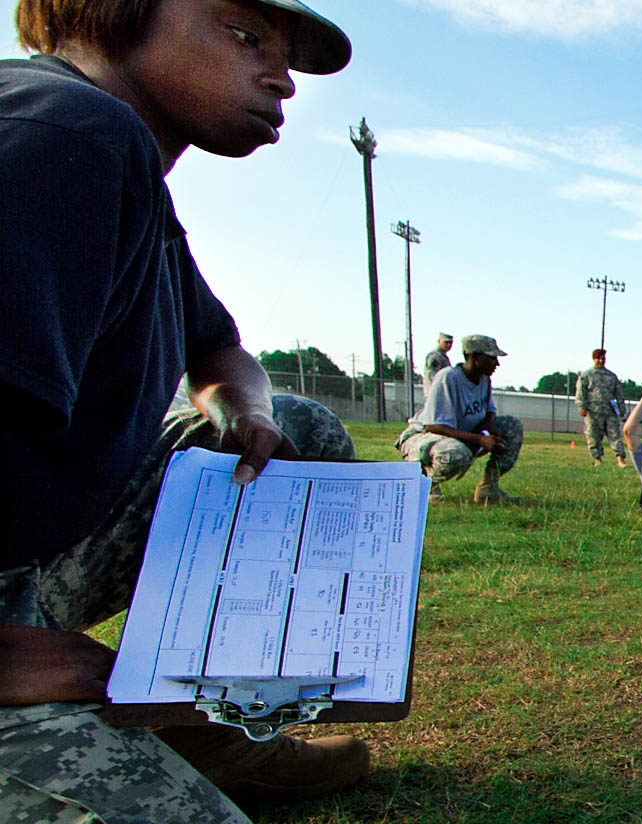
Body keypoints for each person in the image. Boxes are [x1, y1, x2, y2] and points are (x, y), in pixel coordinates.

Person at [0, 1, 369, 820]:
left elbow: (219, 348)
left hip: (23, 565)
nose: (281, 79)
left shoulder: (116, 160)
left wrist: (239, 405)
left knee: (296, 431)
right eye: (244, 37)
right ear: (109, 14)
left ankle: (200, 724)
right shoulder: (67, 133)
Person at [399, 335, 524, 504]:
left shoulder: (484, 380)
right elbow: (435, 426)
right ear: (474, 357)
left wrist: (489, 434)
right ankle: (423, 486)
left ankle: (489, 488)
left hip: (461, 434)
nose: (497, 363)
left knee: (511, 426)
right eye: (492, 358)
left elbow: (489, 413)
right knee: (456, 453)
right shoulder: (448, 378)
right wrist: (480, 439)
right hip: (424, 437)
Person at [574, 348, 625, 469]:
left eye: (603, 358)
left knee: (615, 435)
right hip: (593, 411)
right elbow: (580, 392)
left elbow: (619, 393)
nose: (601, 361)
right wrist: (581, 407)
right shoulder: (586, 376)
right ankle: (597, 459)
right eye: (599, 358)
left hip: (610, 411)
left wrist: (621, 408)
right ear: (594, 359)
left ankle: (620, 459)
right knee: (593, 436)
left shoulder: (611, 376)